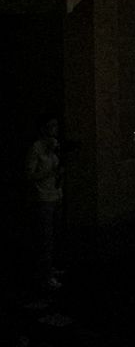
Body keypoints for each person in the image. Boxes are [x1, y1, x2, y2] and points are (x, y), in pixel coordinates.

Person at [24, 114, 64, 290]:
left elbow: (57, 167)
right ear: (43, 128)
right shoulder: (36, 148)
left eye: (56, 126)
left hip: (56, 195)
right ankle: (44, 276)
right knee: (45, 237)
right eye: (51, 126)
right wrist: (50, 171)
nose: (55, 130)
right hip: (43, 198)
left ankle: (50, 268)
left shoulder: (54, 145)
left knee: (54, 235)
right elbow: (30, 175)